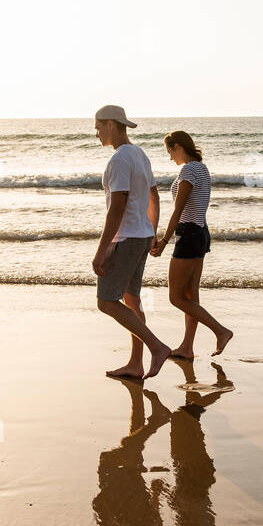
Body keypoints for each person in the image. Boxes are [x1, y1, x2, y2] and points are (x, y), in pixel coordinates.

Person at [92, 105, 172, 380]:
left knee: (106, 301)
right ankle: (135, 364)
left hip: (126, 239)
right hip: (140, 236)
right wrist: (152, 230)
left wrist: (101, 250)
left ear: (112, 124)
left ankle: (157, 347)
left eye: (99, 126)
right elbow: (154, 196)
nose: (97, 132)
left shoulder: (119, 160)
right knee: (132, 300)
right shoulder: (139, 154)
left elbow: (117, 207)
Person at [150, 130, 233, 357]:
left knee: (176, 297)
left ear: (178, 147)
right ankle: (187, 347)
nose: (170, 157)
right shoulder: (202, 168)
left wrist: (164, 240)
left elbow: (178, 210)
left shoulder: (188, 170)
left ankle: (220, 331)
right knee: (190, 296)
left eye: (169, 151)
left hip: (188, 234)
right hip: (201, 232)